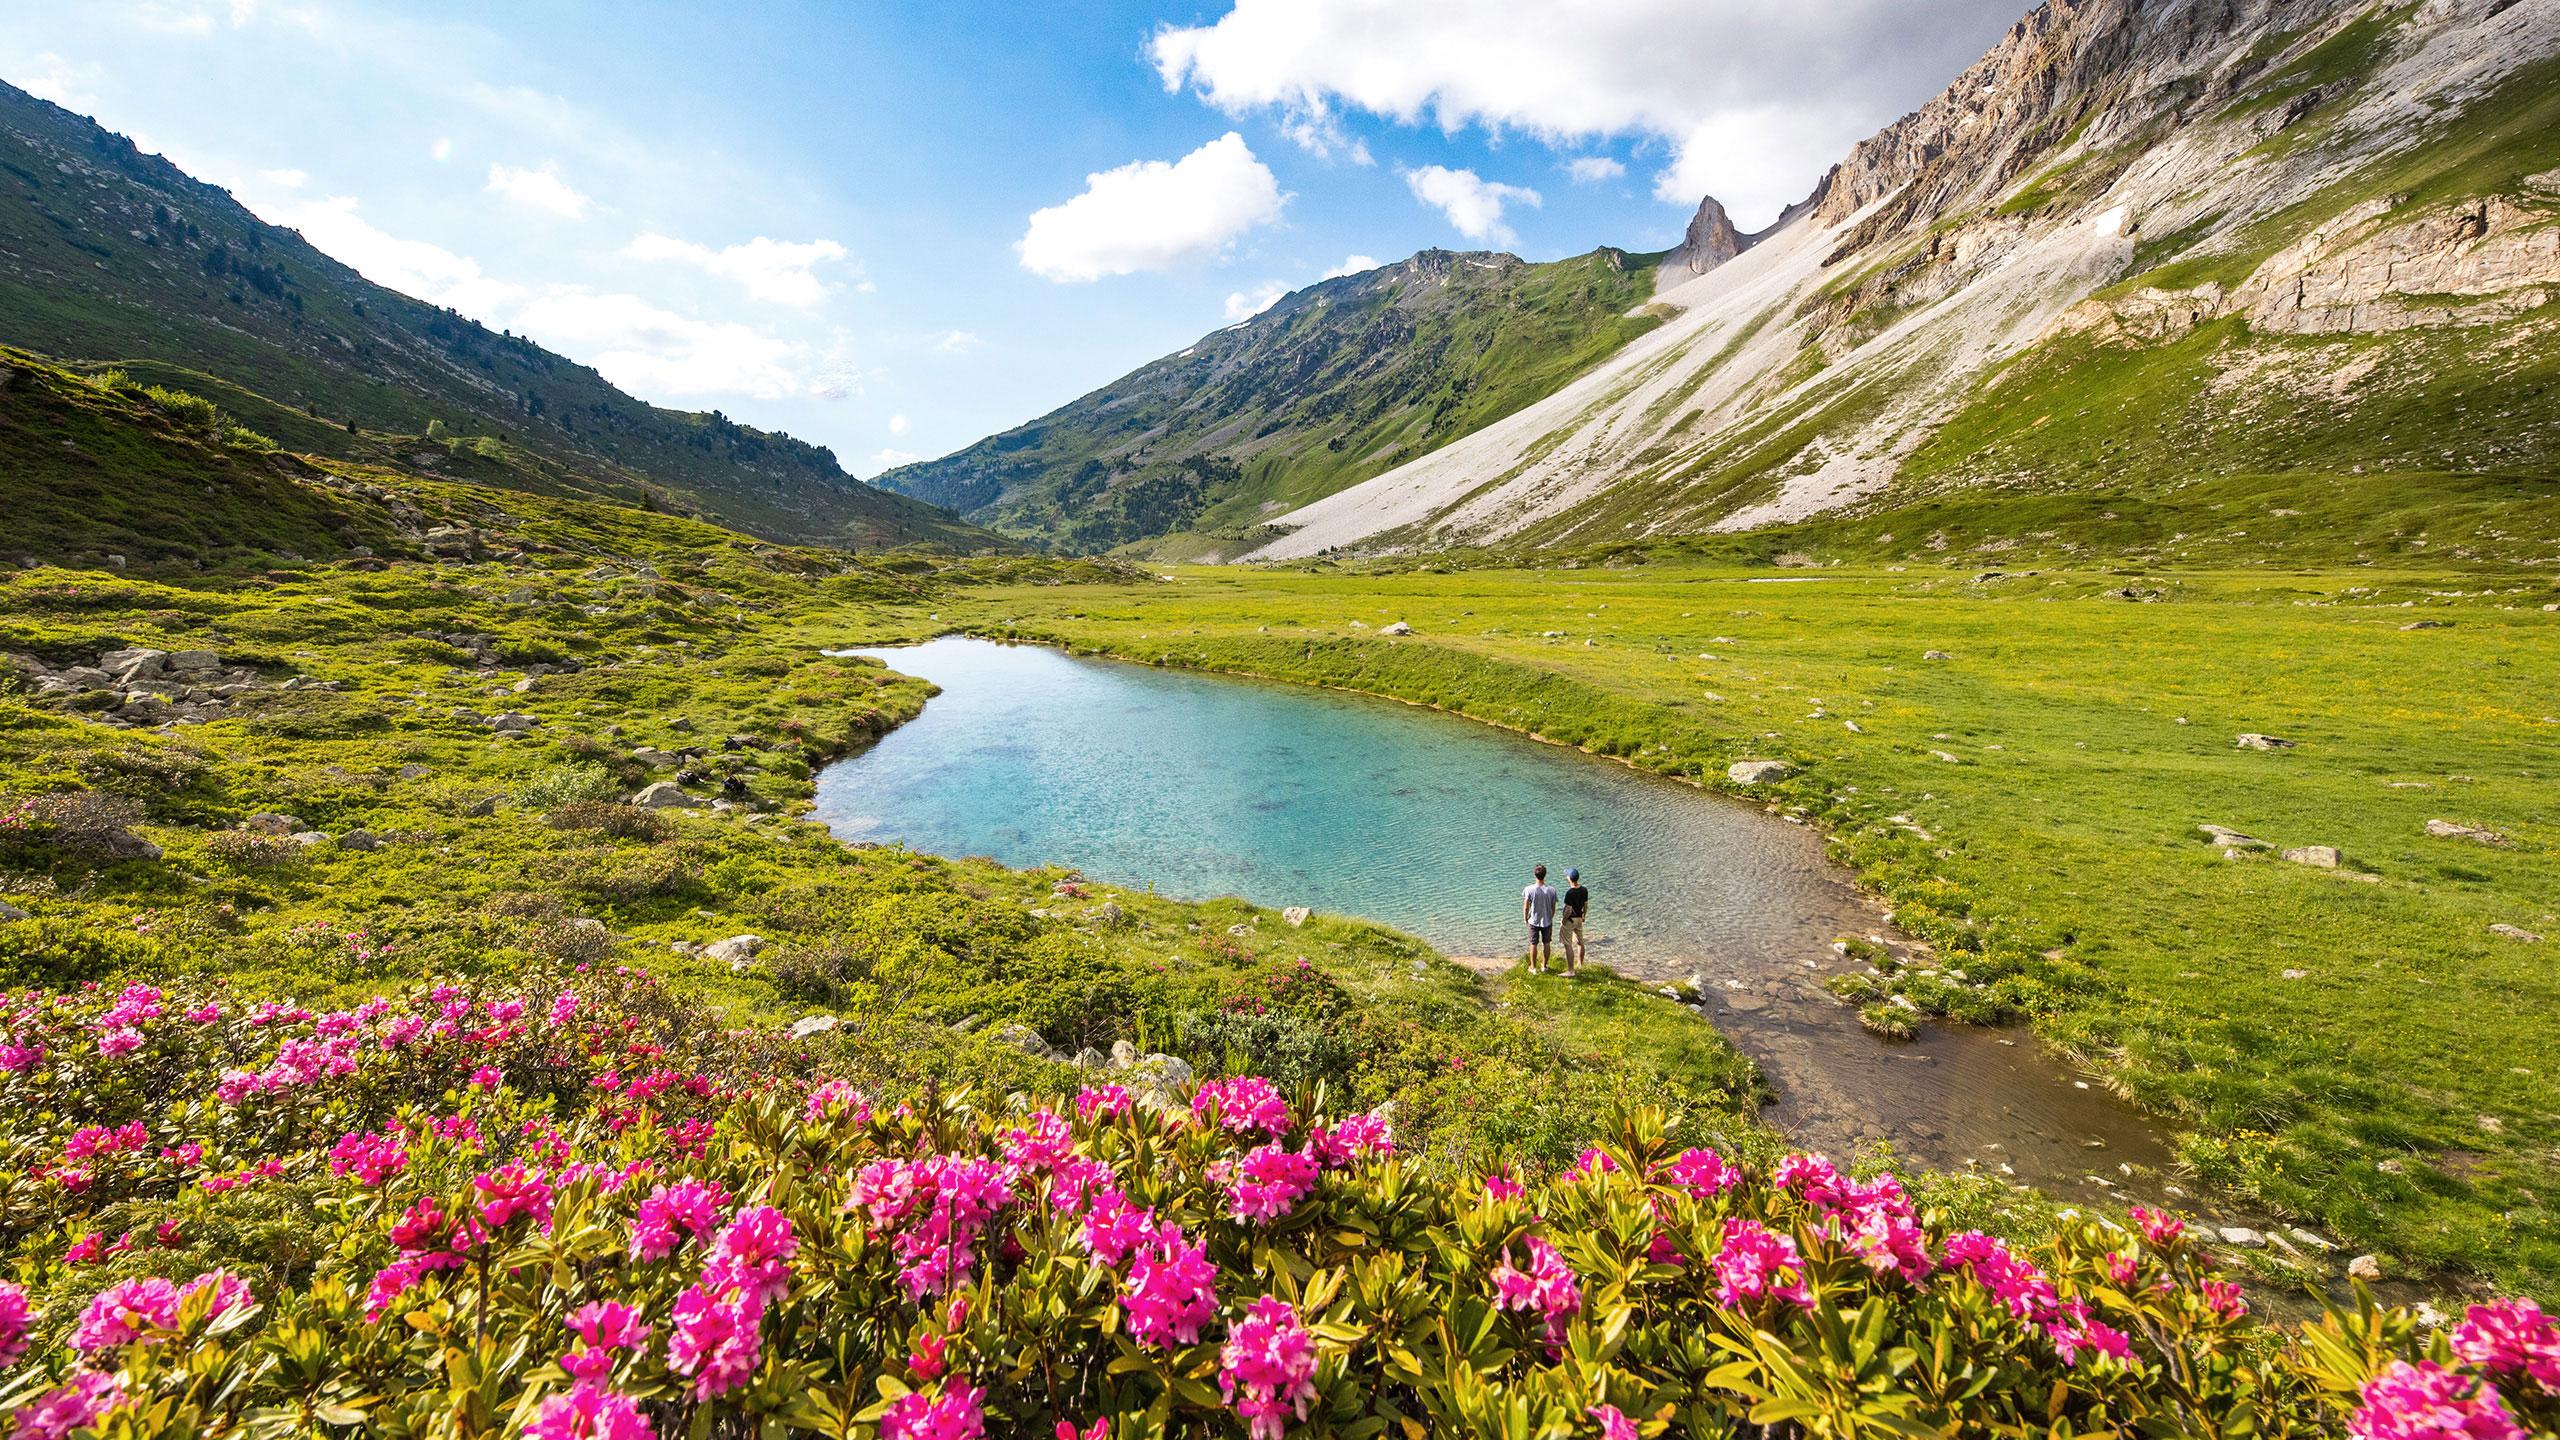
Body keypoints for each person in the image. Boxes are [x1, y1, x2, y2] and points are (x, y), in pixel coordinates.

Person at [1522, 864, 1559, 973]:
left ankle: (1533, 968)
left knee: (1533, 944)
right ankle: (1544, 966)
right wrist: (1550, 916)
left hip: (1533, 921)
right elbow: (1553, 908)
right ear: (1545, 875)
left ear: (1535, 875)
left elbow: (1526, 907)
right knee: (1547, 943)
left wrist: (1525, 919)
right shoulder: (1552, 890)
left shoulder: (1529, 889)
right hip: (1547, 921)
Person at [1558, 868, 1589, 976]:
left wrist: (1563, 920)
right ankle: (1580, 964)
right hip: (1579, 919)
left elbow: (1568, 910)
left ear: (1569, 878)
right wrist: (1584, 915)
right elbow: (1585, 904)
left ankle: (1571, 970)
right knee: (1580, 942)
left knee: (1568, 944)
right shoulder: (1584, 890)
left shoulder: (1570, 893)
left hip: (1570, 920)